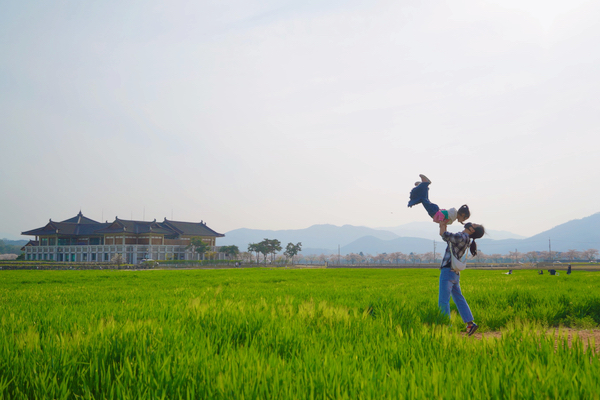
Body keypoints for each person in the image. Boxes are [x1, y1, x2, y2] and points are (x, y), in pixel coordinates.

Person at [438, 220, 485, 336]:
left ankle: (446, 326)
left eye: (474, 224)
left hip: (447, 271)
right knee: (459, 298)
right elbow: (446, 236)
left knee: (443, 301)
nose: (471, 223)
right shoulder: (467, 239)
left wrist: (442, 222)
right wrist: (443, 225)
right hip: (455, 273)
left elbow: (444, 235)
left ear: (472, 230)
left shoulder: (461, 236)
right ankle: (470, 323)